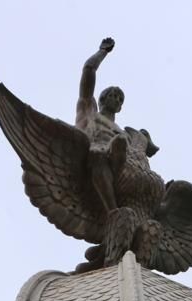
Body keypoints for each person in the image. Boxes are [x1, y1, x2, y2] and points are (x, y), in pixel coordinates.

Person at [75, 37, 128, 213]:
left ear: (120, 107)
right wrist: (102, 52)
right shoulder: (89, 113)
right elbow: (88, 70)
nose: (117, 99)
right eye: (113, 95)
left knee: (121, 142)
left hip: (120, 172)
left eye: (120, 99)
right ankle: (113, 212)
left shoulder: (123, 134)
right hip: (93, 162)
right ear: (103, 98)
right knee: (98, 155)